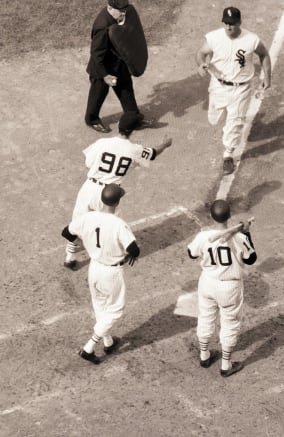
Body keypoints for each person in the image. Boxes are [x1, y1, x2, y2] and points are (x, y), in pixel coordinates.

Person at [64, 113, 173, 269]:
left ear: (119, 126)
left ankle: (70, 257)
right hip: (109, 194)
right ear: (133, 131)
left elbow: (88, 163)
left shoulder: (103, 142)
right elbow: (153, 154)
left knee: (77, 223)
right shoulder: (135, 150)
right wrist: (165, 144)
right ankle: (106, 254)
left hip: (89, 188)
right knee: (106, 225)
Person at [61, 184, 140, 364]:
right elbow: (134, 249)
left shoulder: (87, 218)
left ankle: (108, 341)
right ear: (117, 202)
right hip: (112, 273)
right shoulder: (119, 224)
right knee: (115, 311)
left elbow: (66, 233)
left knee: (100, 306)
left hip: (94, 268)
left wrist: (85, 243)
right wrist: (130, 256)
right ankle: (89, 346)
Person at [196, 6, 272, 175]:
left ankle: (228, 154)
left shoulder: (251, 39)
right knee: (214, 119)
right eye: (226, 23)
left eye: (232, 23)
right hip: (218, 85)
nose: (229, 27)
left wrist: (267, 77)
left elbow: (264, 55)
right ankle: (227, 127)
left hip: (241, 88)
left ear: (239, 22)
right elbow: (201, 53)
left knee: (235, 122)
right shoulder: (214, 37)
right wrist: (201, 64)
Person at [187, 199, 257, 377]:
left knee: (205, 317)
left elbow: (191, 253)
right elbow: (251, 259)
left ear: (211, 216)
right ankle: (226, 365)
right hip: (229, 288)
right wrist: (247, 234)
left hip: (207, 283)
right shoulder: (239, 238)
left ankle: (204, 355)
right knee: (230, 323)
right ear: (230, 216)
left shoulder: (203, 236)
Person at [85, 0, 149, 133]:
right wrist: (105, 76)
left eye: (124, 10)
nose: (123, 14)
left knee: (126, 90)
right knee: (98, 94)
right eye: (120, 11)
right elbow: (96, 55)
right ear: (110, 8)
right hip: (102, 67)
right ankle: (91, 119)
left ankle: (133, 118)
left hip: (119, 63)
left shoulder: (120, 14)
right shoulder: (102, 27)